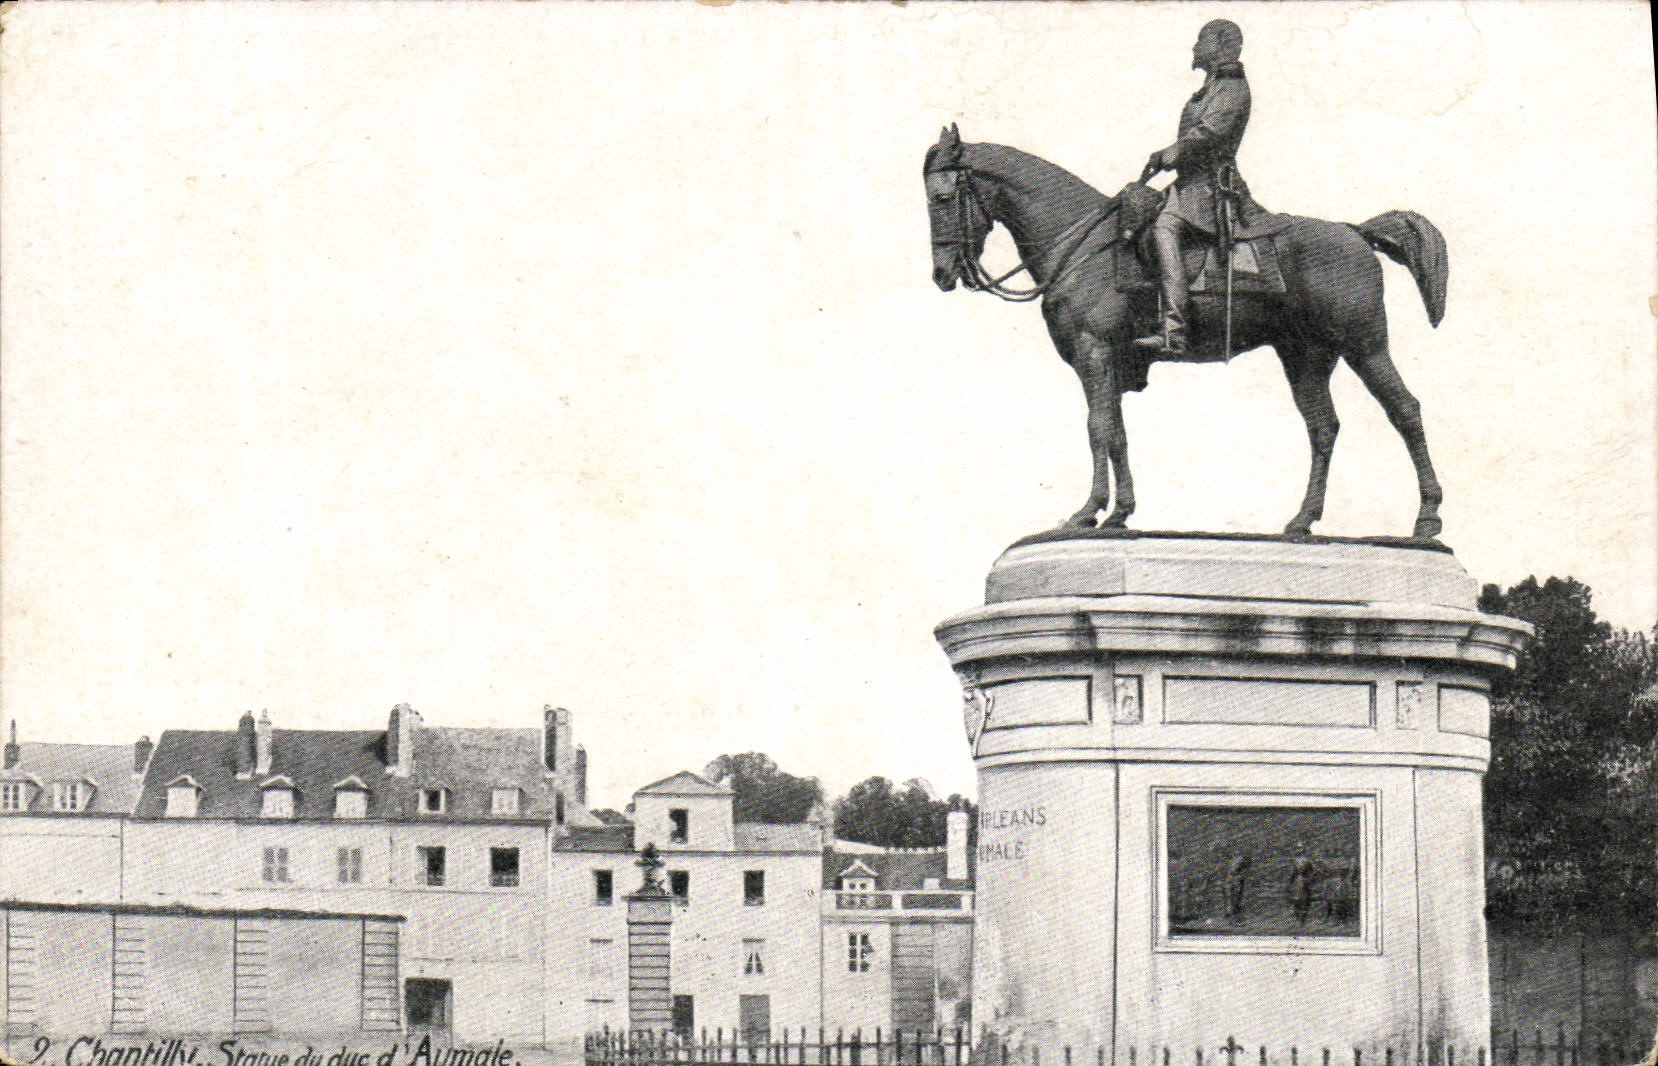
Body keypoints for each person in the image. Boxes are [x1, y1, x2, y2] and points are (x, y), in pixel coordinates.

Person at [1135, 20, 1252, 358]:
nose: (1194, 47)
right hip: (1190, 184)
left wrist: (1171, 152)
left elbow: (1208, 133)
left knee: (1165, 227)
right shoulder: (1214, 86)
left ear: (1221, 44)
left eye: (1201, 39)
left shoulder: (1232, 87)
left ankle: (1175, 333)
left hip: (1208, 190)